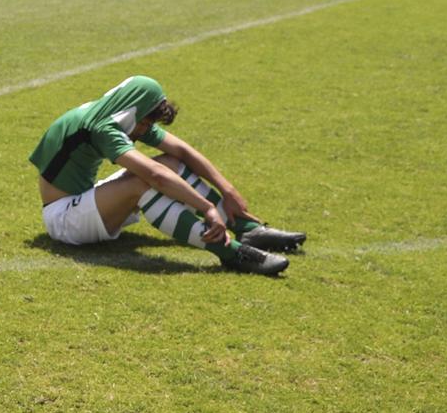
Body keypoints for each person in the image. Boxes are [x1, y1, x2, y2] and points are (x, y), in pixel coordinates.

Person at [30, 75, 303, 276]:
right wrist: (206, 208)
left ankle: (247, 230)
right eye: (147, 122)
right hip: (63, 219)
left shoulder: (117, 114)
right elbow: (154, 175)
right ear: (134, 110)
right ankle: (231, 253)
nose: (145, 130)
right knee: (143, 181)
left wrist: (227, 189)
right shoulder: (102, 126)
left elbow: (181, 152)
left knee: (170, 162)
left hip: (82, 202)